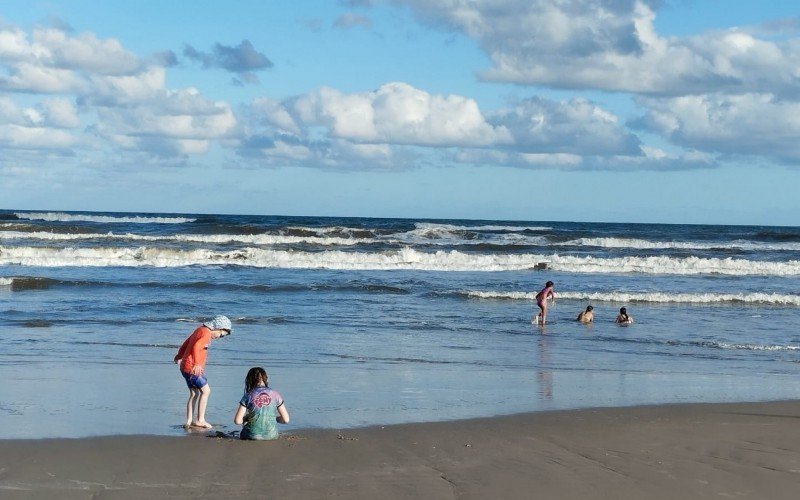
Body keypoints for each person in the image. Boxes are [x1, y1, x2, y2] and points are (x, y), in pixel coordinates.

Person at [174, 315, 232, 429]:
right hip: (192, 368)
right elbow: (196, 346)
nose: (219, 337)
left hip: (185, 367)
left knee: (194, 394)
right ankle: (200, 420)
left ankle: (189, 421)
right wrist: (197, 363)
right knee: (206, 391)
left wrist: (179, 355)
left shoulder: (199, 329)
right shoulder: (206, 333)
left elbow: (186, 343)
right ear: (218, 327)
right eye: (221, 335)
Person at [234, 367, 290, 440]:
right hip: (272, 436)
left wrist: (246, 418)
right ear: (267, 379)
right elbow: (286, 420)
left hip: (251, 436)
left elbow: (237, 421)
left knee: (245, 425)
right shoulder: (275, 394)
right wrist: (273, 418)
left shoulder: (248, 395)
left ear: (249, 381)